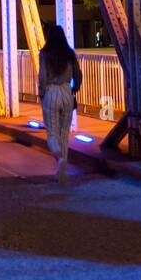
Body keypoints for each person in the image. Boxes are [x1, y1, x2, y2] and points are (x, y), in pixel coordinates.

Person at [38, 24, 82, 184]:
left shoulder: (45, 53)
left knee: (52, 133)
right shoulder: (69, 53)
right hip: (66, 91)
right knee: (64, 134)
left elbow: (42, 76)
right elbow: (78, 75)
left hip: (51, 91)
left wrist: (42, 93)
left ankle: (59, 159)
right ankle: (61, 172)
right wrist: (74, 89)